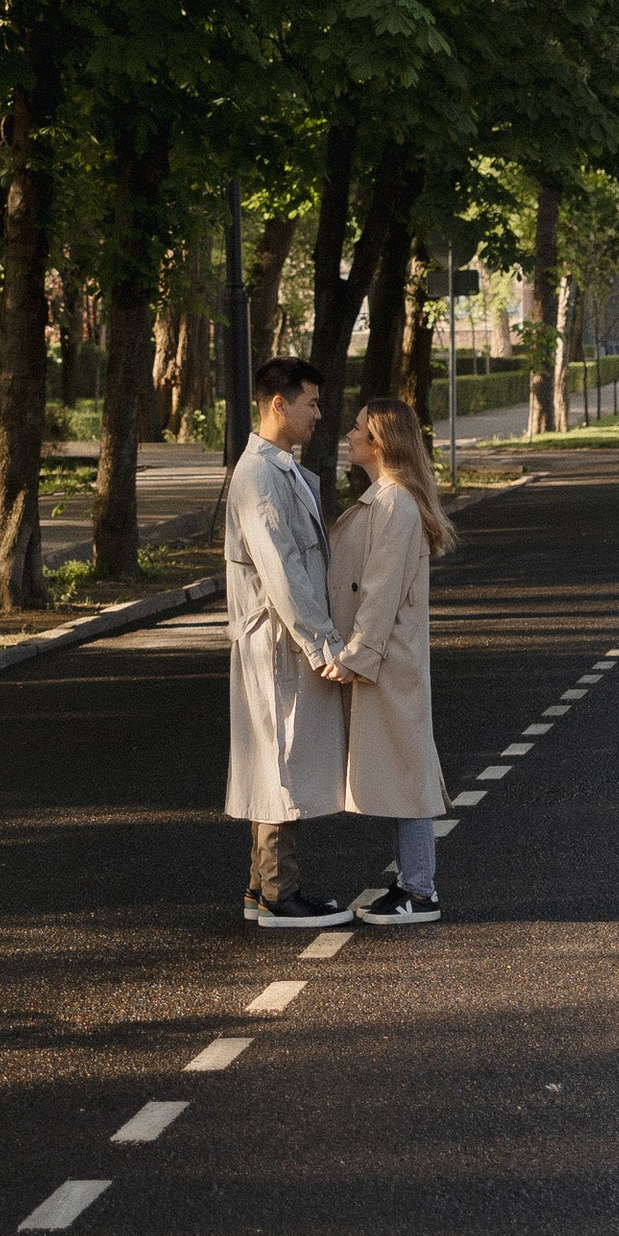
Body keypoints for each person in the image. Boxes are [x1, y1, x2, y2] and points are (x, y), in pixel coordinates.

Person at [224, 356, 352, 929]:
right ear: (280, 403)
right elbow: (283, 574)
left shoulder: (281, 469)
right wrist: (321, 643)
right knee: (281, 764)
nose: (319, 415)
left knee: (278, 760)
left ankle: (261, 888)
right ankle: (280, 894)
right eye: (312, 403)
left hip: (280, 640)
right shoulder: (259, 476)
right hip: (277, 642)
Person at [328, 391, 455, 927]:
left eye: (358, 429)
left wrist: (357, 656)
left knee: (409, 773)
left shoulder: (396, 503)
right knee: (403, 769)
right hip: (385, 659)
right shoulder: (386, 497)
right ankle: (410, 884)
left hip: (389, 662)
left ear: (379, 441)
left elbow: (379, 591)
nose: (349, 436)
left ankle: (420, 891)